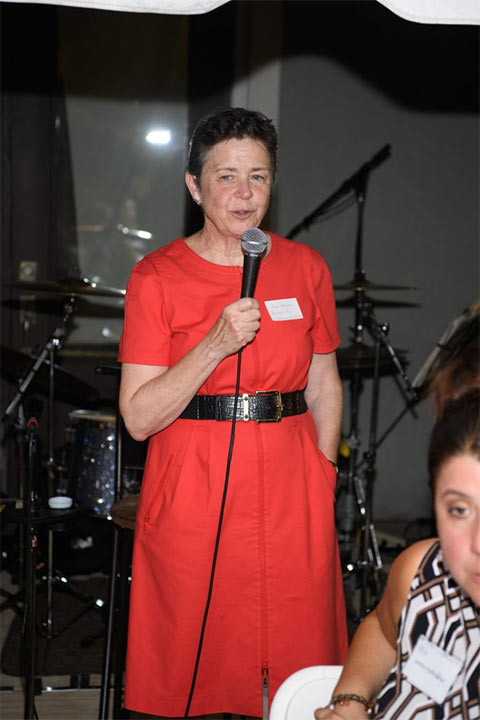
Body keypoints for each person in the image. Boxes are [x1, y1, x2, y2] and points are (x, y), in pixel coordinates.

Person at [117, 106, 348, 717]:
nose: (244, 194)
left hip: (293, 482)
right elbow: (138, 417)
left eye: (260, 176)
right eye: (226, 177)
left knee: (298, 658)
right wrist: (215, 345)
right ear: (194, 186)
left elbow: (325, 380)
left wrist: (323, 469)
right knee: (195, 660)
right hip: (196, 482)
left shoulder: (306, 268)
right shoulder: (157, 276)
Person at [315, 342, 480, 719]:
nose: (476, 543)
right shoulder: (424, 572)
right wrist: (351, 700)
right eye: (459, 509)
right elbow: (381, 627)